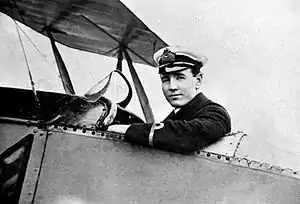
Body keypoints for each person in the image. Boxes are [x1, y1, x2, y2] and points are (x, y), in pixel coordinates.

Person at [107, 46, 231, 154]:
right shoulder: (174, 118)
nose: (172, 87)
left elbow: (186, 135)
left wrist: (128, 130)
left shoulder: (216, 114)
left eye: (180, 77)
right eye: (165, 79)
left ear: (198, 80)